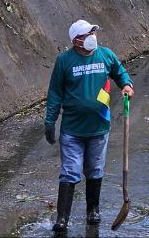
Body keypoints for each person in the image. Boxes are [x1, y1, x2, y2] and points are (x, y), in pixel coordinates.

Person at [44, 20, 134, 233]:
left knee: (95, 169)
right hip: (72, 130)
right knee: (70, 171)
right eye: (88, 34)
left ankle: (93, 210)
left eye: (94, 32)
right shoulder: (64, 61)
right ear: (76, 41)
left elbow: (119, 72)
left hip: (99, 128)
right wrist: (50, 121)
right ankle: (62, 218)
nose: (93, 36)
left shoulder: (105, 55)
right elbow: (55, 94)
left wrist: (127, 85)